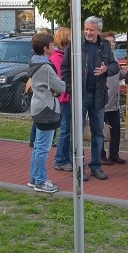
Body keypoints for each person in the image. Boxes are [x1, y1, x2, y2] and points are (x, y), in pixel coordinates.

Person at [61, 16, 119, 181]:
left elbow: (115, 66)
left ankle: (96, 166)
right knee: (77, 132)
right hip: (80, 95)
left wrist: (106, 69)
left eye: (91, 30)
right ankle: (78, 167)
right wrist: (72, 89)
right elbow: (65, 69)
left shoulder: (105, 46)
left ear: (98, 31)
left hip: (99, 95)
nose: (87, 32)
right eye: (86, 29)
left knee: (98, 133)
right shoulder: (76, 45)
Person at [27, 33, 65, 193]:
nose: (54, 47)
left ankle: (35, 177)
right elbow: (60, 87)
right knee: (43, 146)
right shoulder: (45, 66)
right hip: (46, 108)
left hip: (39, 106)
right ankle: (41, 181)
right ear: (45, 48)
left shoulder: (34, 61)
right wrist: (60, 86)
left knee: (38, 146)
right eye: (51, 45)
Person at [100, 31, 128, 165]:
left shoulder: (114, 58)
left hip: (114, 101)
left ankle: (114, 154)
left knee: (115, 129)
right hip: (103, 101)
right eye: (109, 42)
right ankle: (101, 155)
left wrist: (123, 73)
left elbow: (115, 76)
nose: (112, 44)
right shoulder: (100, 57)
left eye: (113, 42)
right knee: (101, 131)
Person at [51, 27, 73, 171]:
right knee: (66, 129)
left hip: (67, 96)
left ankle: (64, 158)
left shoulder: (61, 55)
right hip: (65, 97)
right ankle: (61, 160)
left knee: (68, 128)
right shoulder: (58, 57)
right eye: (70, 36)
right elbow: (62, 78)